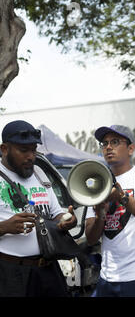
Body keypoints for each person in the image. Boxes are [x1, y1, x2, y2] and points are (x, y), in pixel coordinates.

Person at [0, 120, 77, 296]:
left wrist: (66, 221)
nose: (31, 157)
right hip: (11, 274)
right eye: (23, 150)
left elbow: (56, 213)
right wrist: (4, 227)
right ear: (4, 149)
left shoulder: (39, 173)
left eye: (34, 150)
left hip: (49, 271)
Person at [85, 124, 135, 297]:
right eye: (104, 143)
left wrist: (121, 197)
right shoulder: (96, 184)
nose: (108, 147)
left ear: (131, 148)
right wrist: (100, 214)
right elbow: (90, 238)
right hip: (107, 277)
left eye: (115, 142)